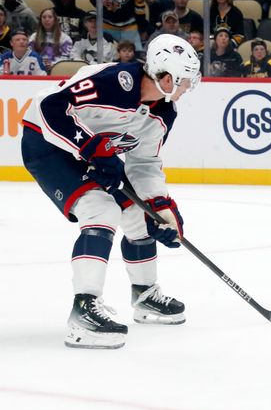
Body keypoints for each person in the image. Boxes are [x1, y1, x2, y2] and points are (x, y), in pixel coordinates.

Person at [20, 34, 200, 349]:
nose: (188, 88)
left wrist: (163, 210)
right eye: (185, 81)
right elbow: (51, 107)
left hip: (91, 154)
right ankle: (83, 312)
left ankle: (144, 295)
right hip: (46, 143)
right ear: (166, 76)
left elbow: (144, 164)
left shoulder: (164, 112)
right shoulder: (117, 81)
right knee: (102, 209)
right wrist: (93, 148)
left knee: (139, 214)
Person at [30, 7, 73, 72]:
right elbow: (29, 55)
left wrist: (54, 64)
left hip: (58, 70)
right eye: (44, 17)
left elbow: (66, 58)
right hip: (37, 69)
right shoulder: (33, 37)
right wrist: (40, 63)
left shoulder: (65, 38)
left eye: (50, 17)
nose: (47, 19)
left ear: (55, 20)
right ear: (41, 20)